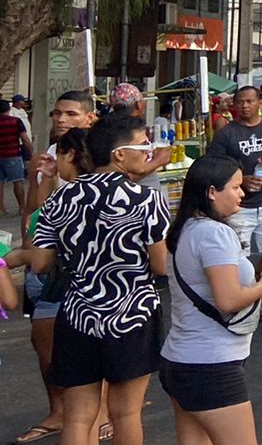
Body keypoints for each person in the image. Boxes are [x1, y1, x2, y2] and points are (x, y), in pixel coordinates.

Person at [23, 115, 171, 445]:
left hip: (77, 314)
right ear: (119, 154)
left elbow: (43, 263)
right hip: (132, 314)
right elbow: (160, 265)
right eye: (143, 145)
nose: (148, 151)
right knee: (126, 414)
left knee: (77, 415)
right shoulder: (147, 200)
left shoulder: (60, 199)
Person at [159, 153, 262, 445]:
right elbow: (228, 300)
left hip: (181, 358)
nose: (242, 193)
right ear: (212, 192)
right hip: (210, 364)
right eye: (236, 187)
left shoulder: (185, 229)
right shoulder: (214, 233)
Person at [15, 128, 106, 444]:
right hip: (92, 294)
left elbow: (36, 248)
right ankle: (89, 417)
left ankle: (86, 418)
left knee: (77, 383)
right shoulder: (118, 191)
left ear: (69, 155)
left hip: (66, 287)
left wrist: (10, 257)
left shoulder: (69, 197)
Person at [207, 86, 262, 277]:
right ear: (234, 105)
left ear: (260, 103)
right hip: (239, 207)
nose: (245, 106)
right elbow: (214, 167)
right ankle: (242, 292)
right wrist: (240, 180)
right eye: (240, 102)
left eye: (250, 101)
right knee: (238, 255)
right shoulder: (226, 133)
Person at [0, 97, 33, 215]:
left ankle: (1, 208)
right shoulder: (15, 121)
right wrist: (30, 153)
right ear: (9, 109)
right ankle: (22, 207)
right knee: (18, 181)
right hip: (13, 155)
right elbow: (25, 139)